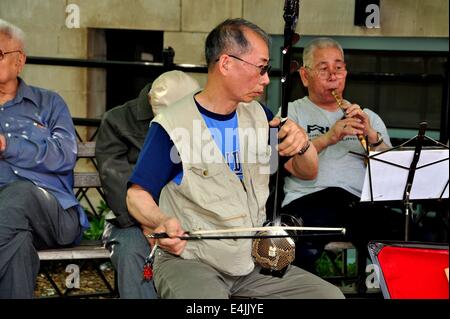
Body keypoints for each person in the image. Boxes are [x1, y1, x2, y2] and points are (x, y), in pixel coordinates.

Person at [126, 18, 344, 299]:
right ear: (226, 63)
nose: (266, 79)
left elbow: (306, 171)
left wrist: (302, 145)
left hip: (251, 262)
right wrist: (161, 221)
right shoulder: (172, 124)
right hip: (190, 261)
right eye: (261, 67)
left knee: (329, 297)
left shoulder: (259, 115)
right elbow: (137, 195)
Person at [282, 37, 402, 273]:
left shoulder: (368, 117)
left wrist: (371, 136)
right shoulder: (291, 112)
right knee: (296, 250)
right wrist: (329, 138)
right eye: (323, 68)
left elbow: (392, 178)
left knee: (405, 235)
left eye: (339, 68)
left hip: (356, 204)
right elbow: (287, 163)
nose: (333, 75)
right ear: (305, 77)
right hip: (307, 201)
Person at [0, 19, 89, 298]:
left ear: (20, 61)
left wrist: (8, 145)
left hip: (53, 215)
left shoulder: (48, 104)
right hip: (9, 225)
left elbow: (64, 155)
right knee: (17, 248)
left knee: (21, 194)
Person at [95, 70, 200, 298]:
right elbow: (115, 179)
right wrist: (148, 221)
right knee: (132, 250)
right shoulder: (118, 120)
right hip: (130, 219)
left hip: (188, 213)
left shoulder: (202, 116)